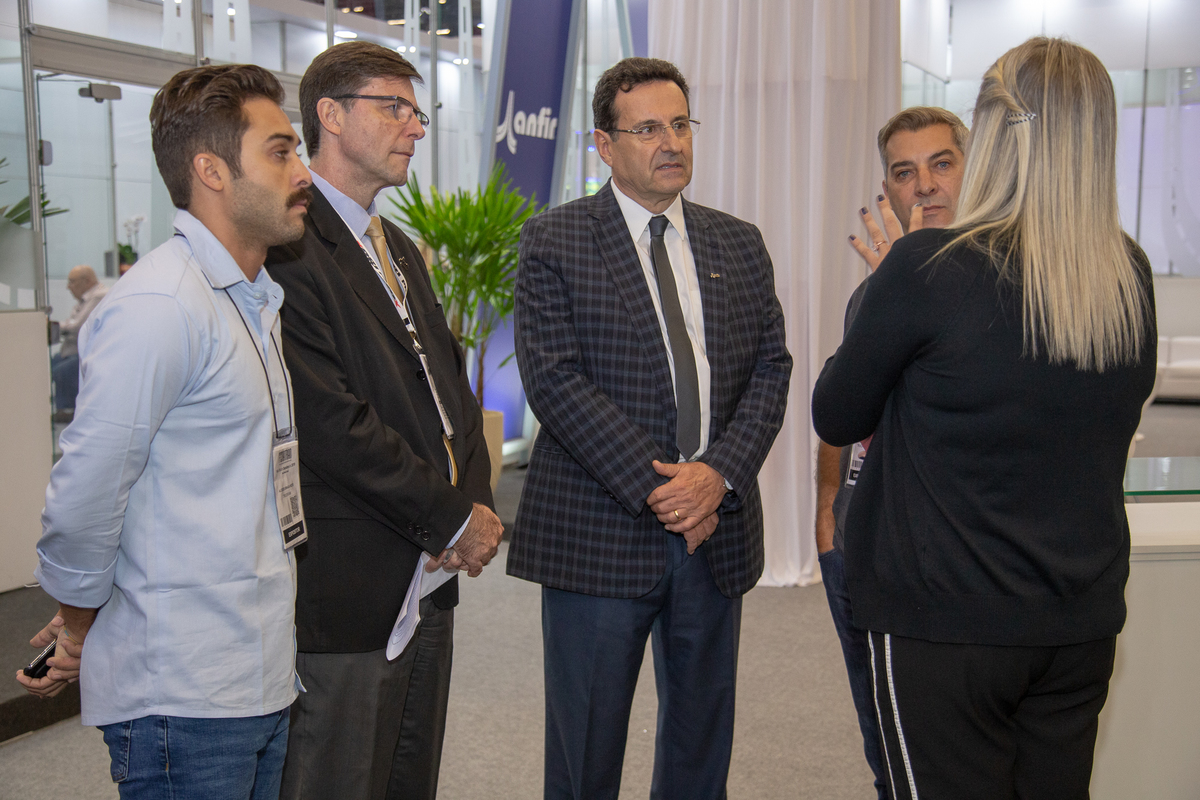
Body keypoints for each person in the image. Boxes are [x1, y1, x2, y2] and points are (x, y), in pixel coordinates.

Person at [812, 37, 1157, 800]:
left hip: (942, 628)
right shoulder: (1126, 273)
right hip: (1076, 624)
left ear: (994, 137)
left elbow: (835, 410)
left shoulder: (925, 268)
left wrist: (887, 290)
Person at [17, 63, 313, 798]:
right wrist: (78, 620)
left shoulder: (250, 299)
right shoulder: (161, 305)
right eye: (280, 152)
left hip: (257, 672)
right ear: (211, 171)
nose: (302, 172)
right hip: (183, 694)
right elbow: (86, 494)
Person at [509, 57, 793, 800]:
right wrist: (667, 491)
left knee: (701, 748)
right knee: (586, 754)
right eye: (647, 130)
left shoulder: (739, 242)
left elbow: (771, 369)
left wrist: (716, 477)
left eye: (679, 124)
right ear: (605, 145)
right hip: (600, 535)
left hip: (715, 534)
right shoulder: (554, 240)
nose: (671, 142)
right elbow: (555, 382)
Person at [265, 41, 502, 800]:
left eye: (417, 110)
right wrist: (449, 517)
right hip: (352, 580)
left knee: (408, 780)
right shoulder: (288, 246)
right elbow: (332, 424)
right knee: (340, 779)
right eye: (394, 106)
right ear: (330, 116)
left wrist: (474, 505)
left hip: (428, 573)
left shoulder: (394, 242)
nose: (416, 126)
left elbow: (449, 389)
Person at [814, 106, 967, 800]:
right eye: (905, 173)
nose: (924, 186)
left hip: (937, 563)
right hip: (858, 543)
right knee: (884, 746)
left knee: (941, 760)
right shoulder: (870, 292)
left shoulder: (997, 287)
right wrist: (827, 511)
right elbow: (840, 403)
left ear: (973, 172)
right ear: (888, 190)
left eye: (942, 164)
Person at [51, 264, 108, 420]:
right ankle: (62, 407)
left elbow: (77, 326)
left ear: (87, 281)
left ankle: (69, 410)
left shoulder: (98, 296)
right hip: (74, 350)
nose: (68, 287)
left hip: (91, 353)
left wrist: (53, 326)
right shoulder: (84, 299)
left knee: (61, 370)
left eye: (72, 281)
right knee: (49, 364)